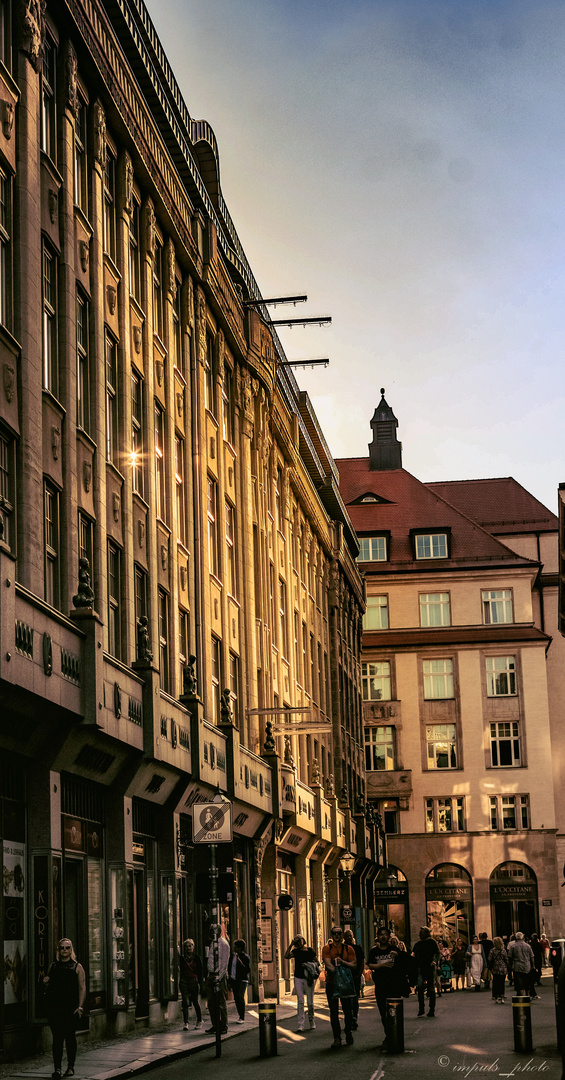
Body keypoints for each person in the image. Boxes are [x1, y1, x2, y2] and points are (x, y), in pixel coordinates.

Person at [43, 938, 86, 1079]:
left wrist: (80, 1007)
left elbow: (82, 988)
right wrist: (46, 980)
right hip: (56, 1008)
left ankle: (71, 1067)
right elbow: (50, 986)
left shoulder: (77, 967)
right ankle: (57, 1069)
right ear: (58, 950)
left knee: (70, 1038)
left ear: (71, 949)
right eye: (61, 948)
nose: (64, 950)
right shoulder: (53, 966)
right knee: (57, 1039)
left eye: (67, 948)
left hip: (70, 1008)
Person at [322, 926, 357, 1049]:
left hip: (346, 984)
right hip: (332, 983)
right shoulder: (327, 948)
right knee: (333, 1011)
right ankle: (337, 1037)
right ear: (332, 935)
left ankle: (348, 1032)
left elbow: (354, 964)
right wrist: (337, 972)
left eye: (339, 933)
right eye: (334, 933)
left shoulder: (349, 949)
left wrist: (342, 963)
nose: (337, 935)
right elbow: (327, 963)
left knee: (347, 1010)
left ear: (342, 935)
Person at [368, 927, 400, 1050]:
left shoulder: (394, 949)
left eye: (385, 934)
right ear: (378, 936)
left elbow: (402, 962)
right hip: (380, 986)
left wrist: (398, 955)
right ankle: (388, 1035)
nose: (383, 937)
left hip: (393, 985)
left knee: (393, 1012)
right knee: (383, 1013)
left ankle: (394, 1035)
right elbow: (370, 965)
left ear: (389, 936)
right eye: (381, 935)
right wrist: (382, 965)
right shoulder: (374, 951)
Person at [284, 934, 319, 1031]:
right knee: (300, 1001)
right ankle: (300, 1024)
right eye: (297, 941)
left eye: (300, 940)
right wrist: (291, 945)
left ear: (304, 940)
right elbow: (286, 956)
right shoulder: (296, 951)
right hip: (298, 977)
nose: (299, 942)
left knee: (310, 1002)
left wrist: (307, 965)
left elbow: (317, 963)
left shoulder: (310, 951)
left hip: (309, 978)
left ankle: (311, 1020)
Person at [205, 924, 230, 1034]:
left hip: (219, 975)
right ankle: (215, 1024)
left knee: (220, 1001)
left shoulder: (224, 944)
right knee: (211, 1002)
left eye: (212, 931)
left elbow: (224, 962)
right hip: (211, 974)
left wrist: (218, 977)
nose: (211, 933)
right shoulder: (213, 943)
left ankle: (223, 1025)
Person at [412, 926, 440, 1017]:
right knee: (420, 987)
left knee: (431, 988)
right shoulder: (418, 944)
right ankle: (421, 1008)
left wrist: (434, 961)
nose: (420, 934)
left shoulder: (432, 942)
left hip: (429, 967)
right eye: (420, 933)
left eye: (422, 932)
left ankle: (432, 1009)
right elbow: (413, 954)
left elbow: (437, 953)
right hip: (420, 967)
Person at [179, 938, 204, 1030]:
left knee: (195, 1001)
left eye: (190, 946)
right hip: (184, 981)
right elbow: (180, 971)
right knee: (185, 1002)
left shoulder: (197, 958)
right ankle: (186, 1022)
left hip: (193, 981)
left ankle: (199, 1020)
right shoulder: (182, 958)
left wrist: (201, 985)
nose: (188, 948)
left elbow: (200, 972)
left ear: (193, 947)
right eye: (186, 946)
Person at [343, 929, 365, 1029]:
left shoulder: (358, 948)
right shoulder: (342, 948)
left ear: (353, 937)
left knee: (355, 998)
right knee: (346, 999)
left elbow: (362, 962)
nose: (349, 938)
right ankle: (348, 1018)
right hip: (344, 977)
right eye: (347, 936)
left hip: (355, 976)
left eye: (350, 936)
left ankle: (354, 1018)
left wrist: (359, 974)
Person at [228, 939, 251, 1023]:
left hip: (243, 980)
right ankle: (240, 1015)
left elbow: (247, 970)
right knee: (236, 998)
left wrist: (240, 963)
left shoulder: (245, 957)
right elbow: (230, 968)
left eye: (236, 947)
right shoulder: (232, 957)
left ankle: (242, 1017)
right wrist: (230, 979)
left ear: (240, 948)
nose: (234, 948)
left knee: (240, 996)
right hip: (234, 980)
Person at [507, 932, 535, 996]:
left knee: (520, 984)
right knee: (527, 982)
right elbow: (532, 956)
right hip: (527, 966)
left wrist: (510, 965)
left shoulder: (513, 946)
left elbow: (510, 957)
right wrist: (533, 965)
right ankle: (528, 995)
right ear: (523, 938)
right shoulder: (528, 946)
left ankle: (522, 996)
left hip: (517, 967)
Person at [487, 937, 508, 1003]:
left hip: (495, 968)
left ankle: (496, 996)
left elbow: (489, 959)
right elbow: (506, 959)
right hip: (503, 967)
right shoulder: (503, 950)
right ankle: (501, 995)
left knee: (496, 982)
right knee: (502, 982)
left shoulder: (492, 950)